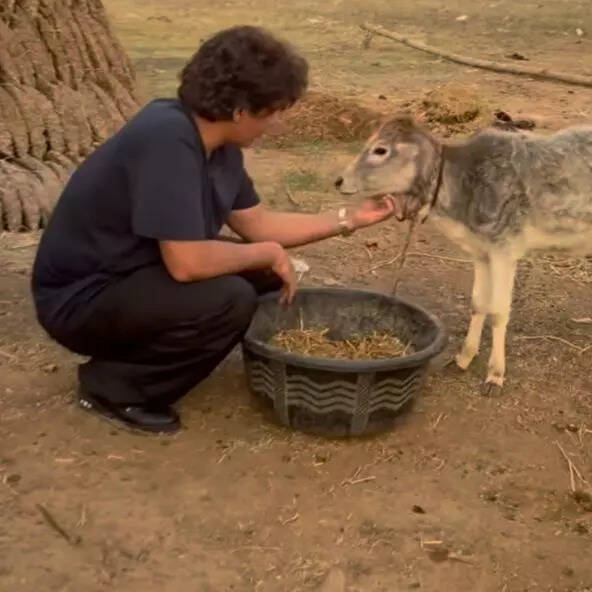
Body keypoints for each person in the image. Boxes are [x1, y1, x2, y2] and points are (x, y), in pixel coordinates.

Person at [30, 26, 395, 435]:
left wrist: (348, 219)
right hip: (82, 300)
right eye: (271, 111)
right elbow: (187, 263)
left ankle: (146, 358)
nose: (276, 124)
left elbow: (258, 225)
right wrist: (268, 253)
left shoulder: (219, 147)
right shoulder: (166, 138)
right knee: (230, 297)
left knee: (258, 271)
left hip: (134, 272)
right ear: (240, 110)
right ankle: (115, 388)